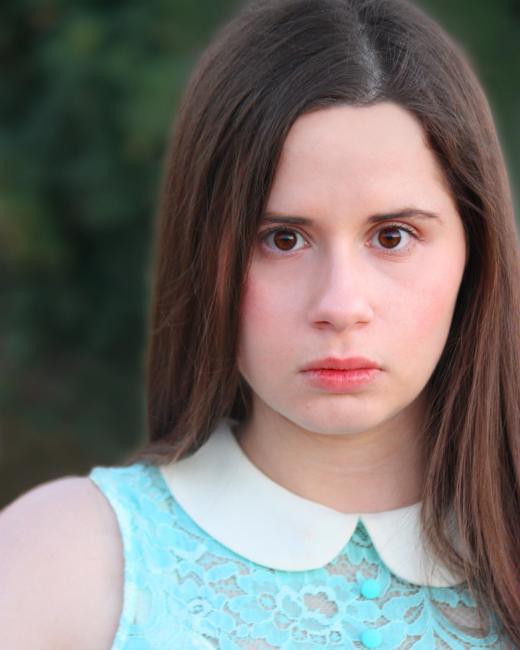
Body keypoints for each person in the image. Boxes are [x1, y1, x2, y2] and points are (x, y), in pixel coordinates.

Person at [1, 0, 519, 647]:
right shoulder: (62, 564)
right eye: (282, 239)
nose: (340, 304)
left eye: (392, 236)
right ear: (203, 254)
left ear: (477, 252)